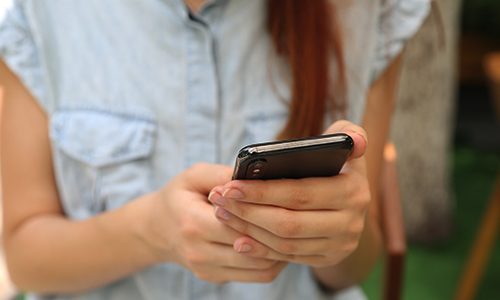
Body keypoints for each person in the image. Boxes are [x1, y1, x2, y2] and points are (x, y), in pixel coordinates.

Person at [0, 0, 430, 299]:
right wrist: (148, 232)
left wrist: (339, 236)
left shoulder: (369, 11)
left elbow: (355, 266)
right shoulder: (41, 15)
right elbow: (25, 258)